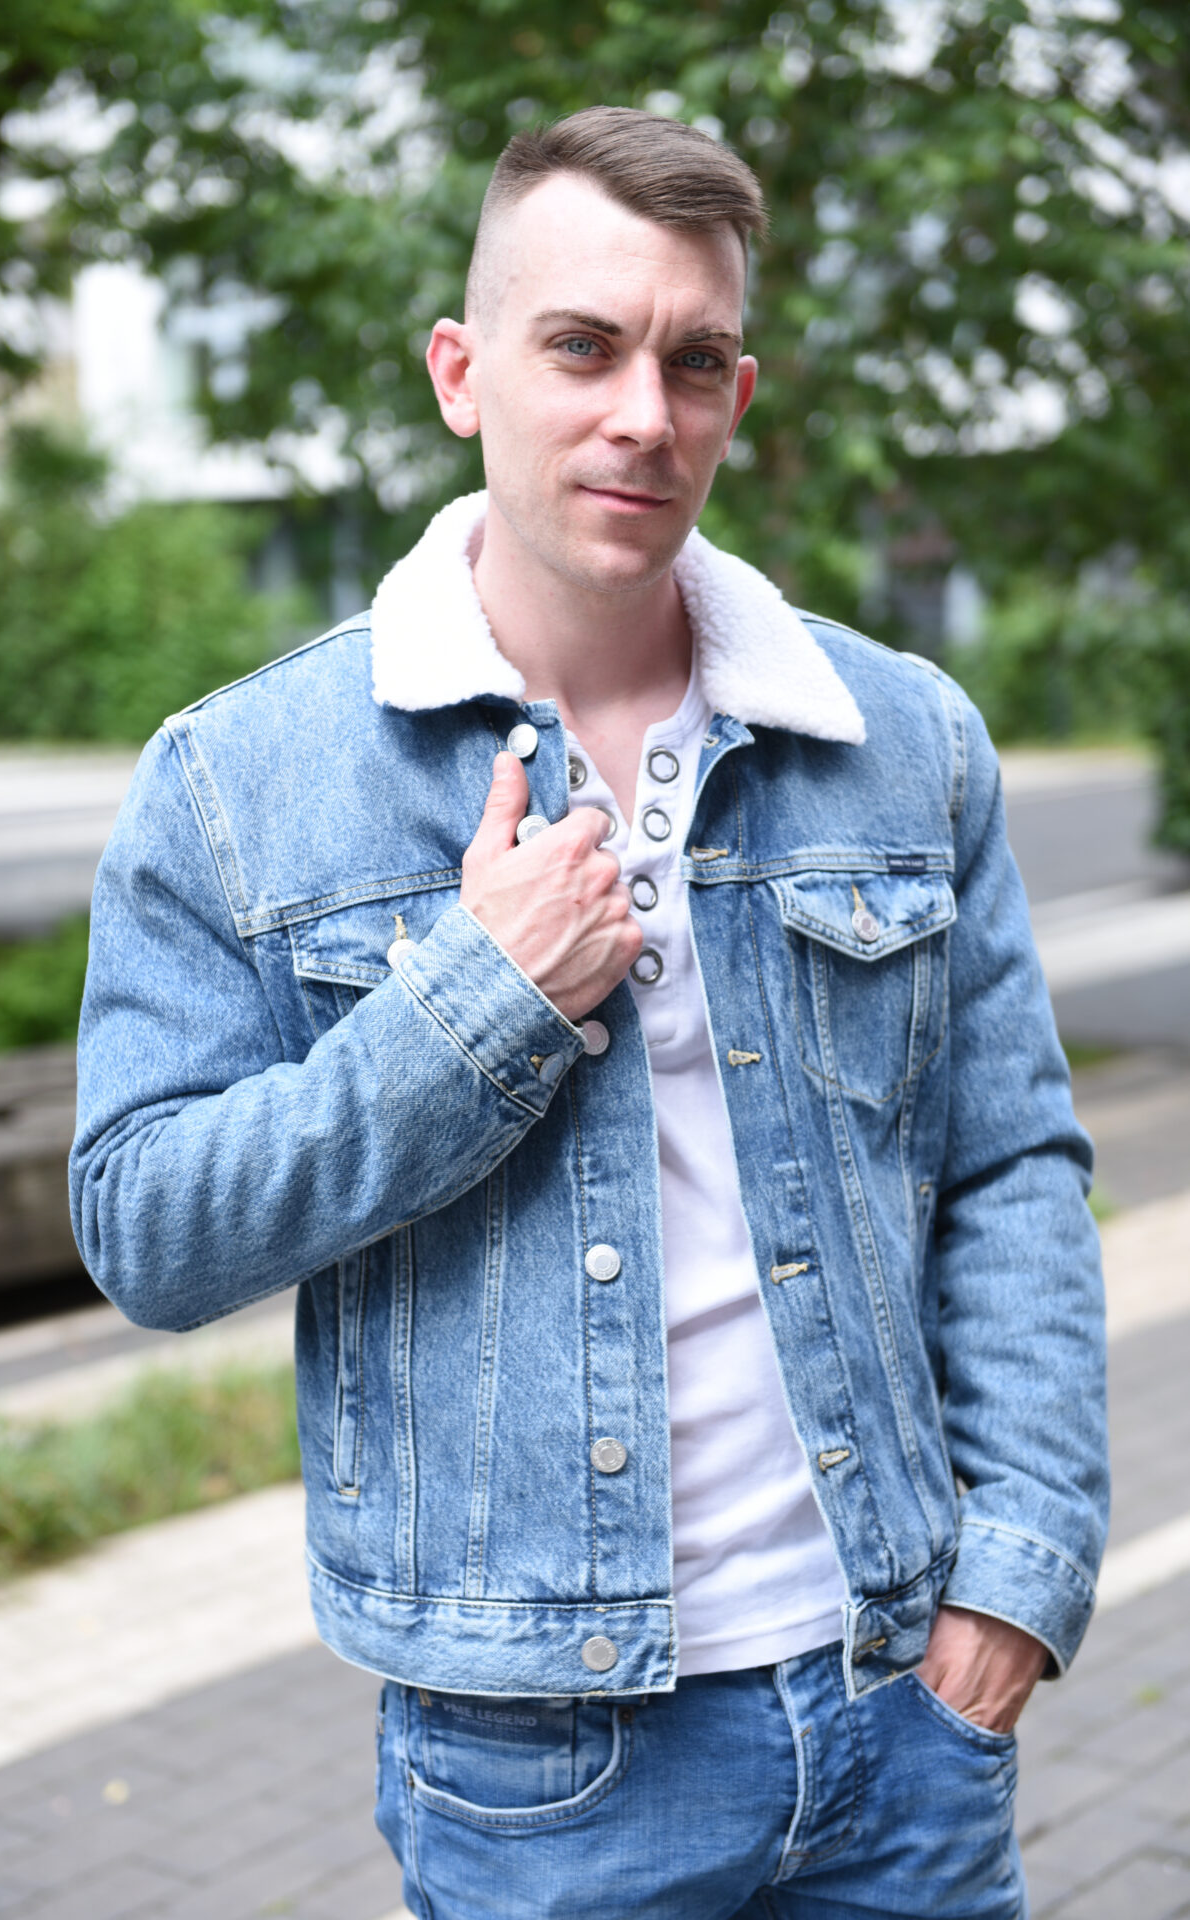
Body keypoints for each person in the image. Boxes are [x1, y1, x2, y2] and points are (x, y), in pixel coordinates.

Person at [70, 106, 1108, 1920]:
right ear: (460, 374)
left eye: (693, 361)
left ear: (737, 394)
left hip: (901, 1706)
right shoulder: (243, 779)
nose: (644, 412)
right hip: (540, 1765)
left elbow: (1009, 1163)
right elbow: (145, 1229)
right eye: (582, 346)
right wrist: (476, 1006)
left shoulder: (900, 737)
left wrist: (1013, 1579)